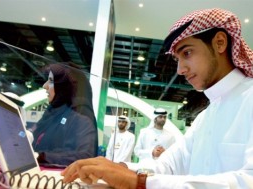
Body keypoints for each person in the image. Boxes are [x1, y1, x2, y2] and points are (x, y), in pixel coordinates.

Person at [61, 8, 253, 188]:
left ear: (220, 42)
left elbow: (248, 181)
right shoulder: (205, 117)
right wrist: (117, 169)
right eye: (178, 59)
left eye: (187, 53)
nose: (180, 70)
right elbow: (167, 167)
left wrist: (138, 182)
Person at [31, 63, 97, 166]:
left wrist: (42, 157)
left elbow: (85, 156)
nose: (45, 86)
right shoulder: (51, 115)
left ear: (63, 87)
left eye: (51, 81)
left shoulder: (80, 119)